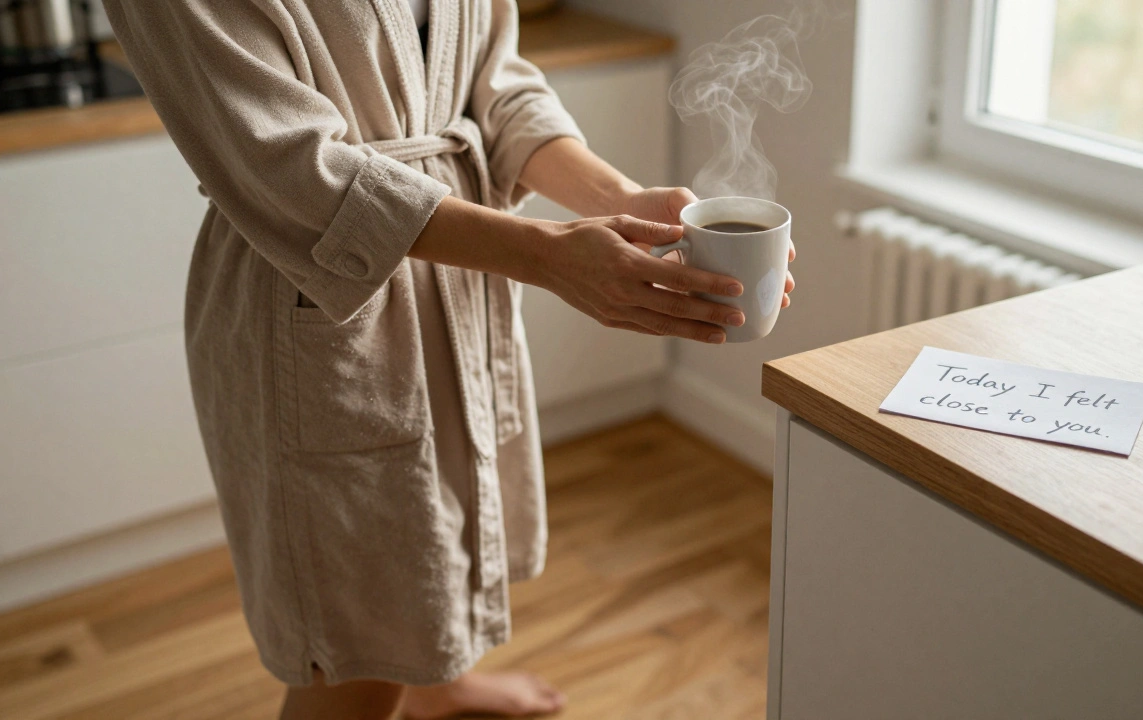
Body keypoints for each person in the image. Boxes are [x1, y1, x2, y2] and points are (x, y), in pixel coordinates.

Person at [102, 1, 794, 718]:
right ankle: (400, 680)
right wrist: (548, 258)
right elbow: (290, 168)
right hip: (319, 292)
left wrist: (622, 200)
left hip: (461, 268)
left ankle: (440, 685)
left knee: (432, 528)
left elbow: (497, 87)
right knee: (355, 644)